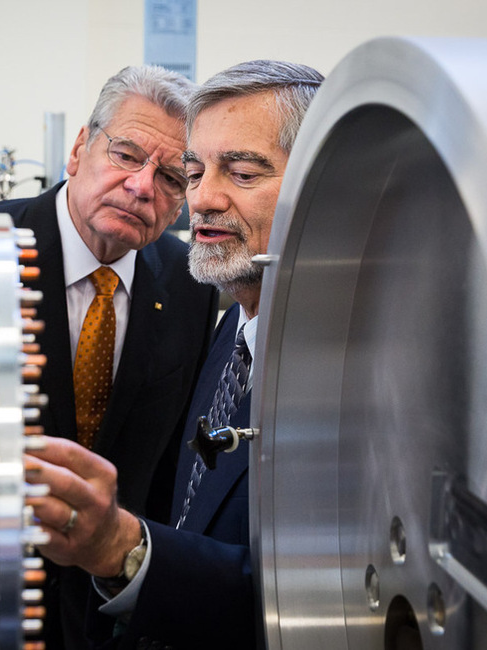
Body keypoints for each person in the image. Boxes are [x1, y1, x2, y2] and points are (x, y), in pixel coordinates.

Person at [24, 59, 324, 649]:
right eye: (196, 171)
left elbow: (312, 596)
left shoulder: (342, 377)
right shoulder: (229, 328)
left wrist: (123, 549)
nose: (201, 199)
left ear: (320, 187)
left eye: (240, 173)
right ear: (80, 148)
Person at [0, 65, 219, 649]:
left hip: (110, 617)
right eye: (126, 154)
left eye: (169, 176)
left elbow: (165, 476)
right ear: (81, 147)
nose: (142, 187)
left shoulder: (191, 290)